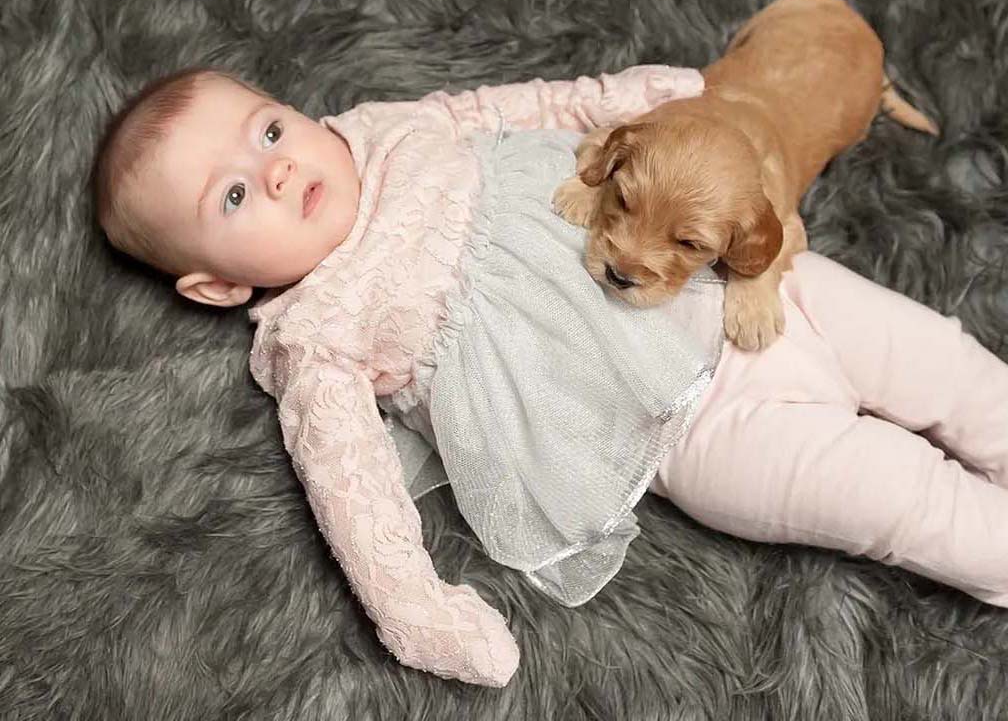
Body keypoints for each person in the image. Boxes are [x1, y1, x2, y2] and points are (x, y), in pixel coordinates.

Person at [91, 63, 1008, 688]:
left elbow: (508, 105)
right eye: (238, 194)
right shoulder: (316, 337)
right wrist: (419, 613)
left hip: (745, 286)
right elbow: (353, 491)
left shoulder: (384, 131)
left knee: (947, 362)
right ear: (216, 286)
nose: (281, 167)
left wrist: (632, 102)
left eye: (269, 128)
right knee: (903, 503)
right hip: (694, 432)